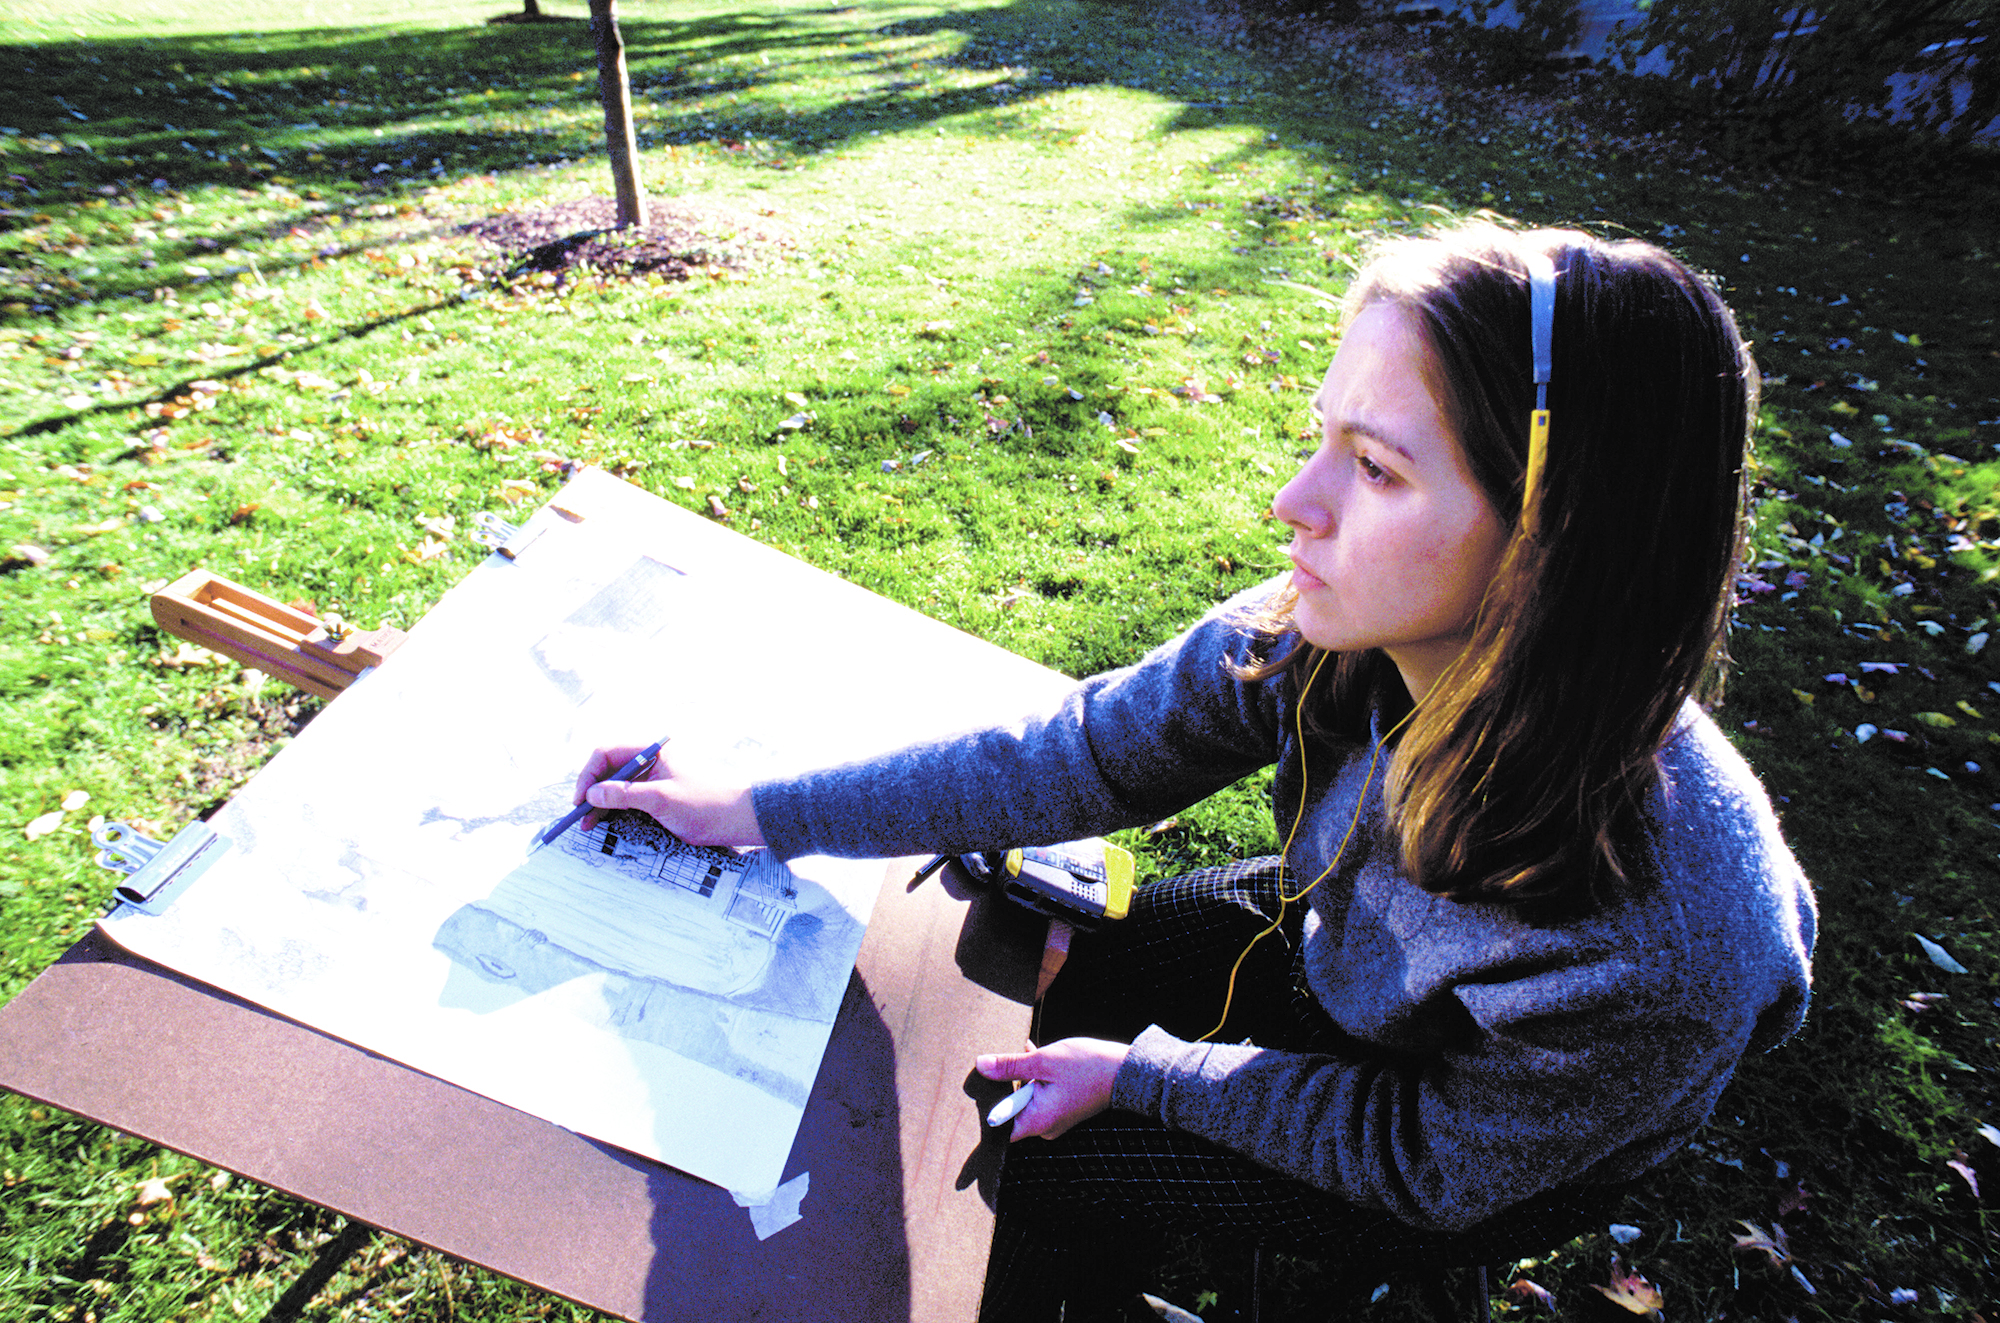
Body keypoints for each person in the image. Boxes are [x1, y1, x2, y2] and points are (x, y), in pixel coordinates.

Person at [572, 222, 1817, 1319]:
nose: (1293, 500)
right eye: (1318, 438)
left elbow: (1431, 1160)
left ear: (1552, 542)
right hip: (1346, 951)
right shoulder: (1318, 637)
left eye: (1374, 469)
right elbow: (1075, 758)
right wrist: (754, 809)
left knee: (1041, 1159)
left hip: (1461, 1148)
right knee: (1068, 969)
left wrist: (1145, 1077)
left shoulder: (1662, 937)